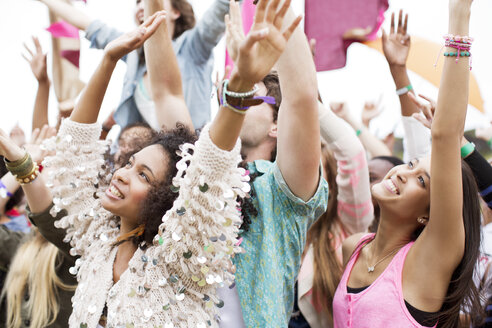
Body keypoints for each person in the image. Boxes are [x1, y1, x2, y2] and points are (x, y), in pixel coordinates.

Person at [0, 1, 302, 326]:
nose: (121, 174)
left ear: (168, 202)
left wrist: (239, 87)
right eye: (129, 163)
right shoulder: (98, 241)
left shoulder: (175, 260)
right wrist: (108, 60)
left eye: (143, 175)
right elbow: (74, 156)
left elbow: (208, 169)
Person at [333, 1, 483, 327]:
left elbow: (444, 136)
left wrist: (459, 15)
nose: (402, 172)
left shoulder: (429, 260)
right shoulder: (353, 247)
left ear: (428, 214)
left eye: (422, 181)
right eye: (411, 164)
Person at [223, 0, 328, 326]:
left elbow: (301, 96)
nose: (236, 97)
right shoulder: (202, 172)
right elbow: (165, 94)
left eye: (249, 94)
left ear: (277, 125)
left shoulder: (283, 189)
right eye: (232, 89)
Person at [37, 0, 238, 130]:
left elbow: (222, 6)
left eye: (147, 1)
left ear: (176, 12)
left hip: (188, 159)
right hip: (145, 166)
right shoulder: (133, 53)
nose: (141, 6)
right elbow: (88, 24)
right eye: (138, 2)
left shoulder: (194, 46)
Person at [290, 102, 373, 328]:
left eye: (314, 168)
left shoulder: (347, 227)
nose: (302, 173)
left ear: (333, 186)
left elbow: (351, 152)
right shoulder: (284, 223)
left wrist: (302, 97)